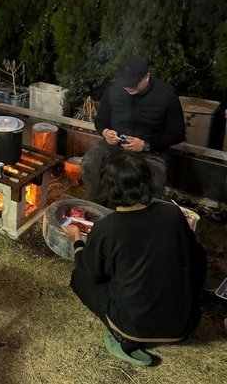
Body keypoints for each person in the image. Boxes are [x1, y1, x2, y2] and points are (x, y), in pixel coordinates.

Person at [63, 151, 206, 367]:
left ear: (108, 187)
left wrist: (77, 239)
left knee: (80, 279)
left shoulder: (108, 228)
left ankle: (122, 341)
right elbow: (197, 258)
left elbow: (90, 273)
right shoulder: (173, 214)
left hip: (135, 329)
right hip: (184, 326)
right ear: (147, 182)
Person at [82, 54, 185, 203]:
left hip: (151, 150)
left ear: (146, 77)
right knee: (89, 162)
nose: (129, 87)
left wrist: (145, 144)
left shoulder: (166, 95)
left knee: (155, 175)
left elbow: (177, 133)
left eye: (134, 83)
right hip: (115, 145)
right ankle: (100, 206)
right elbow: (101, 121)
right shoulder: (115, 89)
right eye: (125, 84)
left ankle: (143, 214)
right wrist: (105, 132)